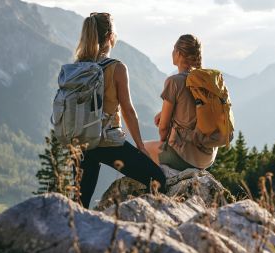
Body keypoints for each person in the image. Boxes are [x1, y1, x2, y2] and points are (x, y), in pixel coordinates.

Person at [76, 12, 167, 208]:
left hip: (83, 144)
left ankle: (74, 235)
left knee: (79, 203)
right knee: (159, 180)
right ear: (110, 36)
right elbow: (128, 111)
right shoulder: (116, 68)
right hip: (108, 143)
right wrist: (140, 147)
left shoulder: (78, 67)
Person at [144, 34, 218, 170]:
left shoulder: (174, 82)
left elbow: (163, 128)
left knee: (141, 148)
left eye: (173, 49)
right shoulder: (207, 81)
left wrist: (164, 141)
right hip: (208, 157)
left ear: (178, 53)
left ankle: (159, 187)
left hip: (185, 156)